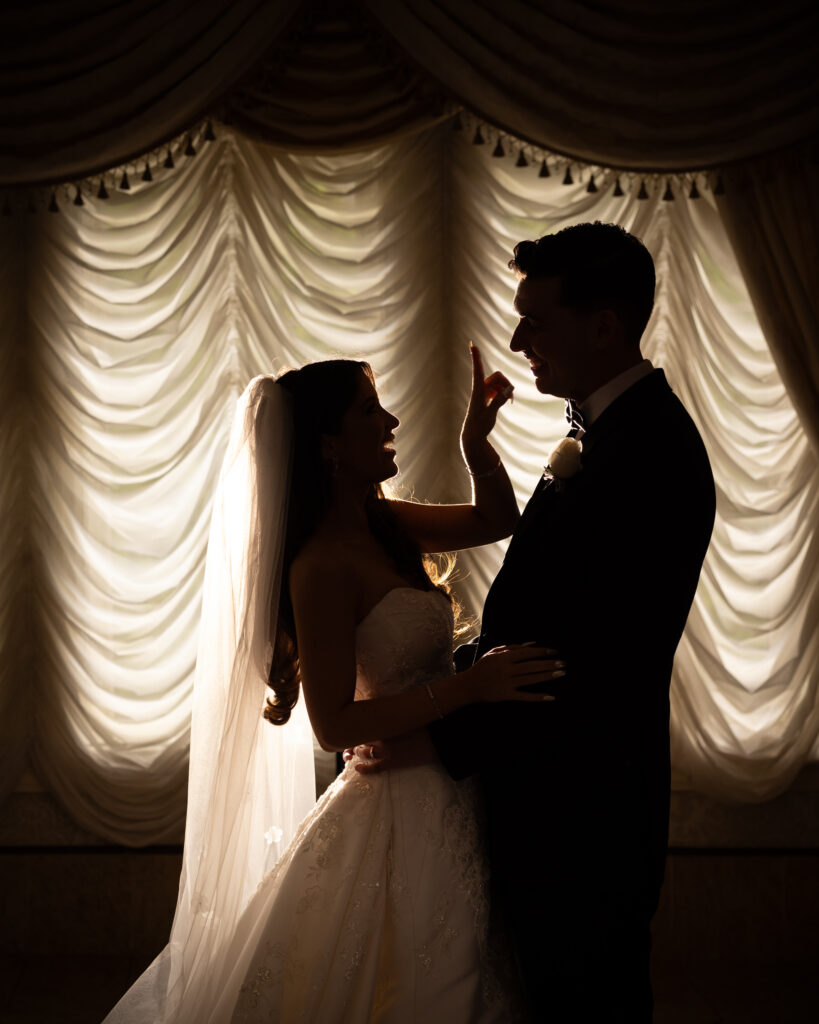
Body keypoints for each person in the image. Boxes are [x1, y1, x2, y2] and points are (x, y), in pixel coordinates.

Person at [104, 351, 562, 1024]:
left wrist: (476, 444)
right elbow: (335, 726)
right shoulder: (319, 566)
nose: (391, 420)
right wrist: (470, 690)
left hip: (452, 786)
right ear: (327, 445)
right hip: (397, 803)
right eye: (368, 410)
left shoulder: (384, 524)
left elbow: (495, 520)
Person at [352, 222, 716, 1022]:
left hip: (582, 816)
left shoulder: (647, 454)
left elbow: (577, 660)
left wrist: (426, 733)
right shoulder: (605, 431)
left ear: (603, 326)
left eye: (535, 320)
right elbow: (538, 602)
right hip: (557, 806)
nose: (517, 339)